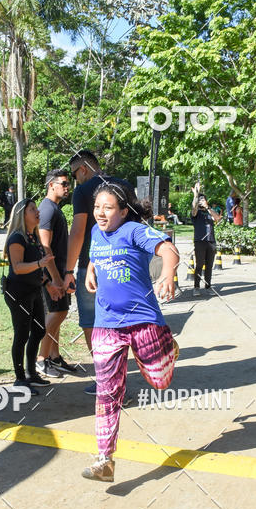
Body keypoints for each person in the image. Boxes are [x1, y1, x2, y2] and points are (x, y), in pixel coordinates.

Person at [81, 181, 180, 482]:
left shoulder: (135, 230)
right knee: (106, 392)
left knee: (160, 382)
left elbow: (169, 249)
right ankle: (104, 460)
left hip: (143, 320)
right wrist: (90, 269)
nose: (100, 213)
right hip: (107, 324)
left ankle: (167, 347)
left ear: (123, 211)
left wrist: (167, 274)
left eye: (108, 208)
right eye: (97, 207)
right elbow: (96, 254)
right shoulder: (97, 232)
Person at [64, 150, 131, 395]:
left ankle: (107, 381)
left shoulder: (84, 190)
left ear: (82, 169)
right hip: (123, 268)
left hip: (92, 267)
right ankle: (118, 380)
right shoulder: (123, 185)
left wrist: (68, 270)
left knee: (92, 324)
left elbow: (78, 231)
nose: (74, 181)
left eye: (74, 175)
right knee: (118, 324)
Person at [2, 199, 61, 395]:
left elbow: (36, 269)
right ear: (22, 215)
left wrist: (48, 285)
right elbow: (18, 268)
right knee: (22, 334)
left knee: (38, 330)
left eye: (36, 209)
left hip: (34, 290)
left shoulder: (32, 237)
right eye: (32, 209)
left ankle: (31, 373)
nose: (37, 212)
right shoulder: (17, 238)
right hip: (18, 292)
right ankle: (20, 379)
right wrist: (40, 262)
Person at [36, 169, 81, 379]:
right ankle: (40, 359)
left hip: (61, 272)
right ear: (51, 185)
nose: (67, 187)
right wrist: (54, 278)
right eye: (63, 183)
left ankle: (54, 357)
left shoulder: (54, 208)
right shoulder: (47, 210)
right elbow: (44, 247)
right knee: (56, 314)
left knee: (60, 313)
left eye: (67, 183)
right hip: (51, 275)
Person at [191, 182, 222, 296]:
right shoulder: (196, 213)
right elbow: (194, 209)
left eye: (203, 199)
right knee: (199, 265)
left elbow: (218, 218)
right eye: (200, 200)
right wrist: (196, 195)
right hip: (200, 241)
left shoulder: (209, 211)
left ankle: (208, 286)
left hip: (211, 241)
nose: (201, 201)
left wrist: (208, 207)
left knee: (209, 265)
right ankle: (196, 287)